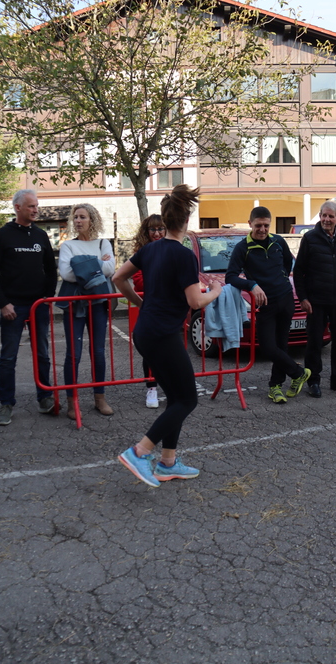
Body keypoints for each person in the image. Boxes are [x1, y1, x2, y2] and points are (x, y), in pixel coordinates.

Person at [113, 185, 221, 488]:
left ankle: (168, 463)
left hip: (146, 331)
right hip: (162, 334)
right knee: (187, 399)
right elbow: (195, 302)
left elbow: (118, 277)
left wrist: (141, 304)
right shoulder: (184, 255)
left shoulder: (151, 249)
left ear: (167, 218)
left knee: (176, 398)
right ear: (186, 220)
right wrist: (215, 290)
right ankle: (139, 452)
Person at [225, 206, 310, 404]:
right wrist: (252, 285)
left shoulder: (278, 241)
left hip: (286, 299)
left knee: (281, 346)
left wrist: (280, 279)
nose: (262, 229)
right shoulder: (242, 248)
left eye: (266, 225)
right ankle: (298, 373)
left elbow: (288, 263)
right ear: (250, 224)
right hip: (265, 305)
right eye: (258, 225)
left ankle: (275, 387)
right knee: (268, 347)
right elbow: (230, 276)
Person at [0, 189, 57, 426]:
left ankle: (44, 397)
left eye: (36, 205)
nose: (36, 210)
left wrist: (47, 298)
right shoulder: (2, 235)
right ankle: (6, 404)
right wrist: (3, 303)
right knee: (8, 358)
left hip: (38, 305)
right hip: (12, 307)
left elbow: (51, 269)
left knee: (42, 354)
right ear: (18, 207)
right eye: (31, 206)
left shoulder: (40, 235)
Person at [293, 200, 336, 398]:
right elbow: (299, 271)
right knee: (314, 343)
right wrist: (303, 297)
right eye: (323, 215)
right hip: (317, 301)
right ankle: (313, 381)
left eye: (330, 216)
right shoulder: (310, 238)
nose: (326, 219)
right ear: (320, 216)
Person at [58, 203, 115, 419]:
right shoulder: (68, 246)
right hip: (74, 305)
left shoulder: (103, 243)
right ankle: (72, 402)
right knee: (73, 353)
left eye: (82, 217)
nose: (78, 221)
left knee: (98, 351)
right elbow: (66, 274)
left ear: (92, 219)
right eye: (76, 217)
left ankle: (99, 398)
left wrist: (81, 264)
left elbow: (111, 269)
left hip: (98, 304)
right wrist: (98, 264)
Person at [131, 214, 166, 408]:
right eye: (153, 229)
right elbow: (138, 281)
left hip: (168, 309)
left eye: (160, 229)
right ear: (146, 231)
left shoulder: (171, 248)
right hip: (149, 309)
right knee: (150, 351)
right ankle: (151, 388)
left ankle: (170, 385)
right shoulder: (141, 252)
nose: (157, 233)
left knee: (169, 349)